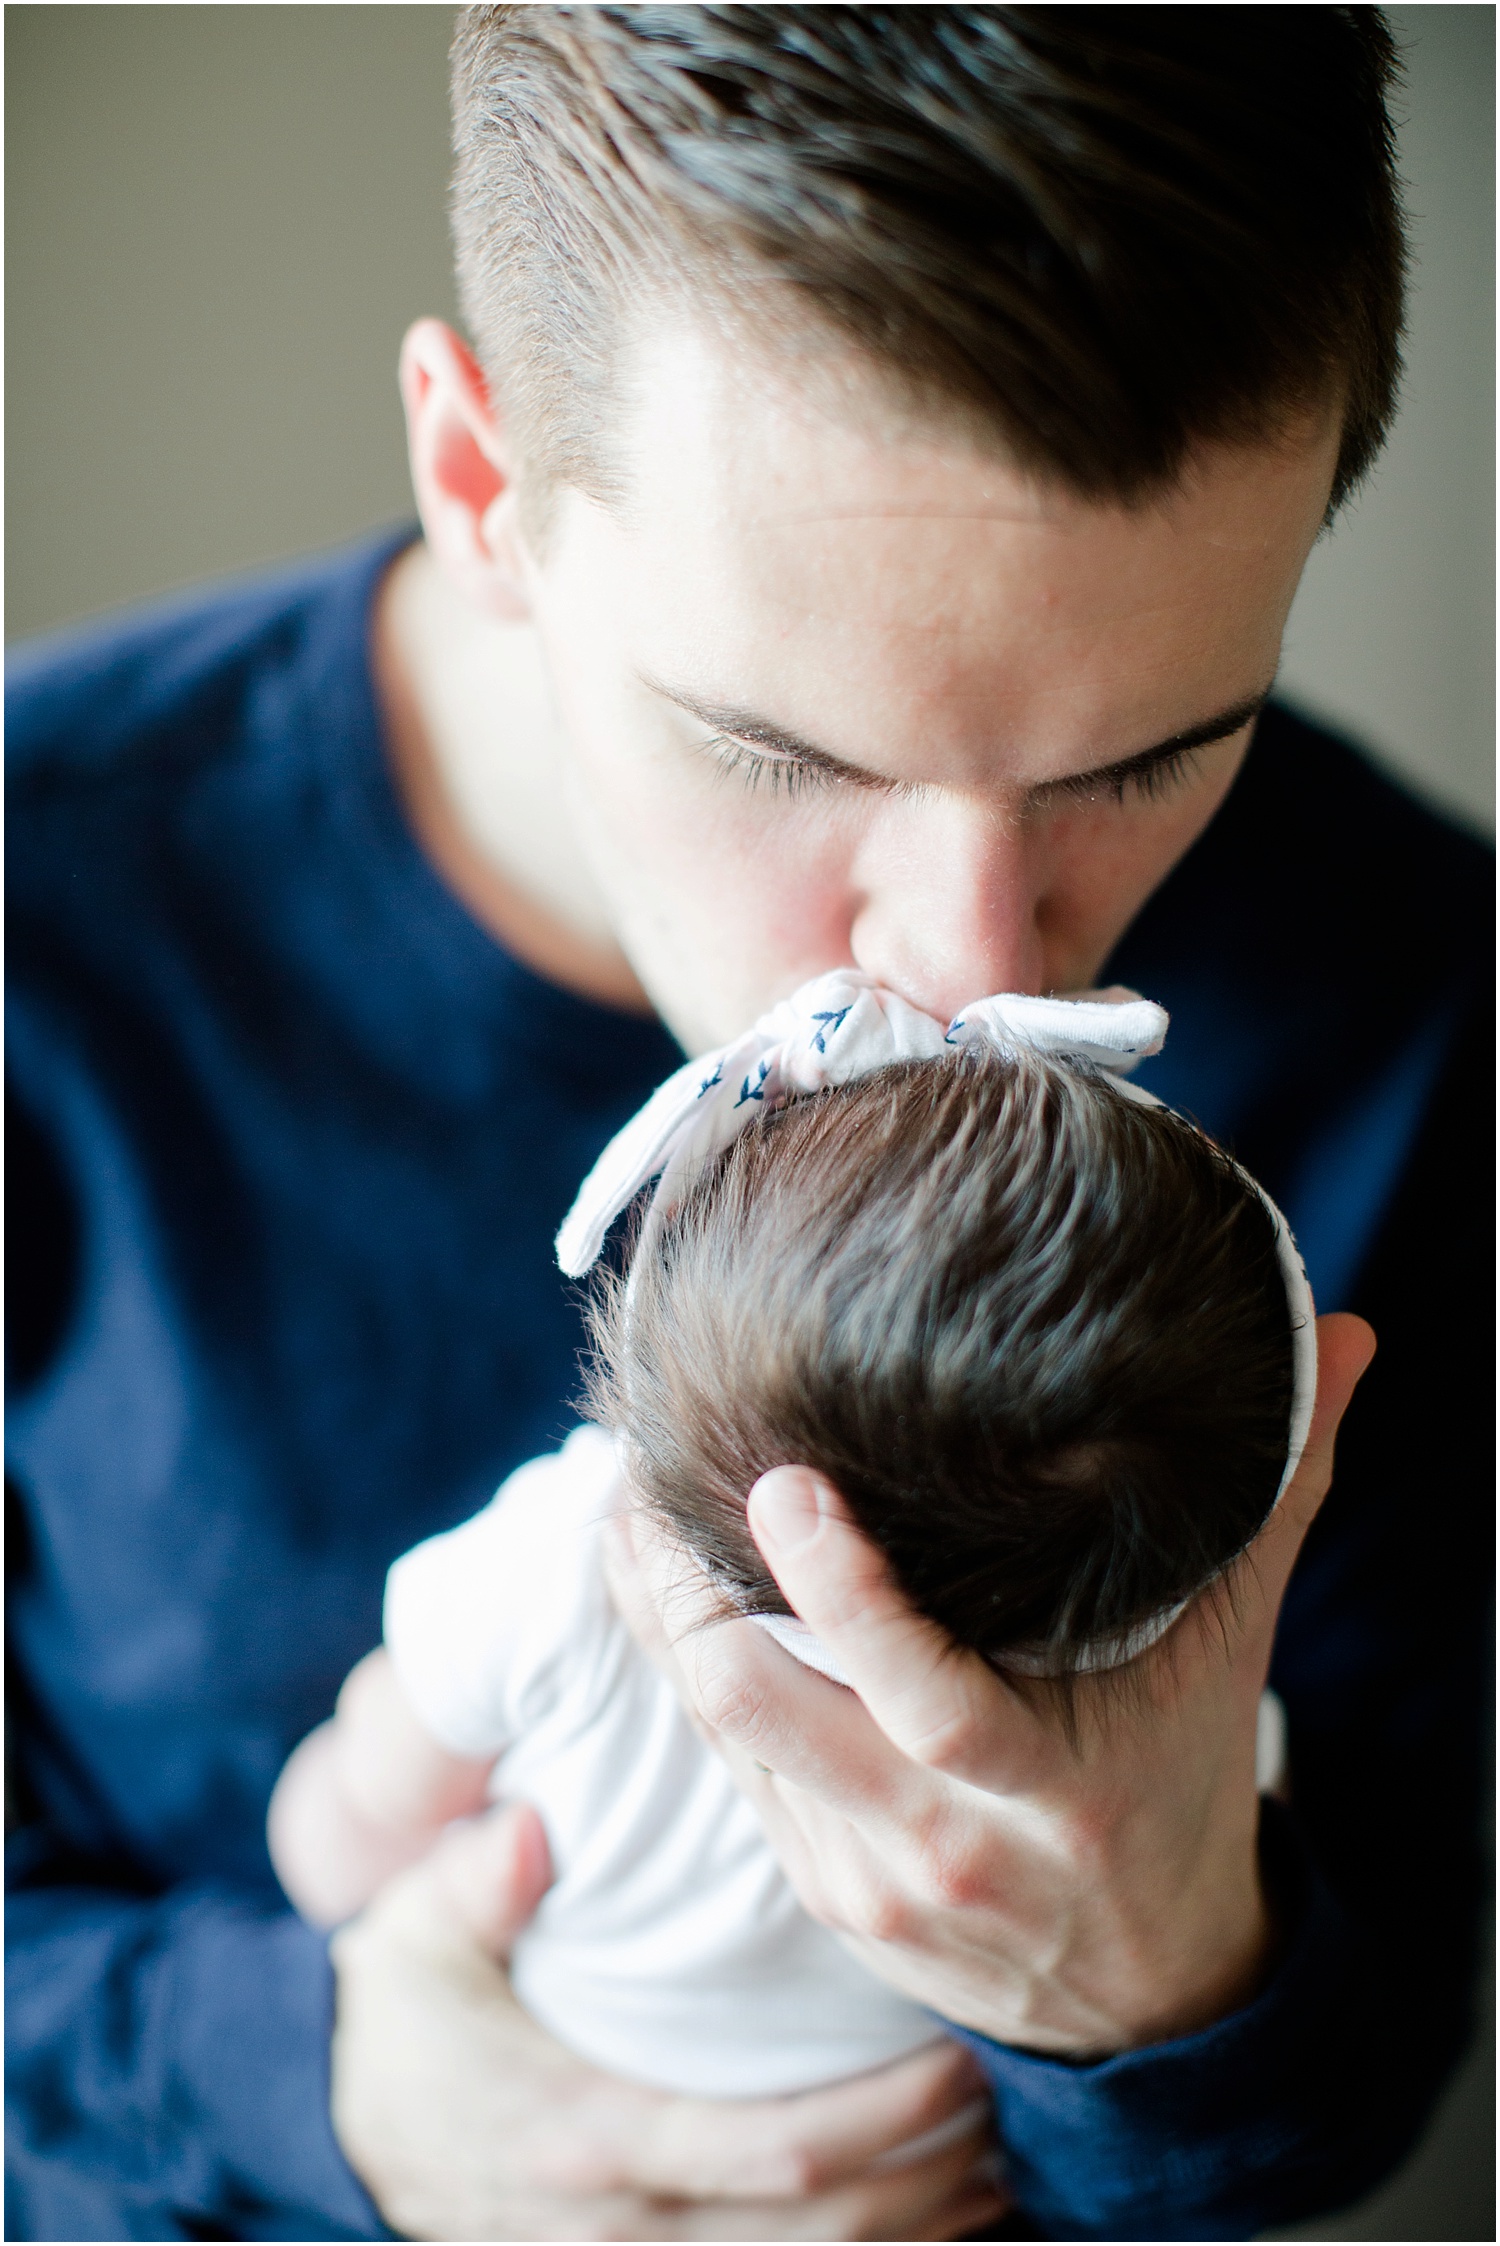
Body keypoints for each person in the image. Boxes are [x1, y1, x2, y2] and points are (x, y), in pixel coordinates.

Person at [4, 8, 1490, 2240]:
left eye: (1147, 756)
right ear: (484, 478)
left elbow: (1373, 2079)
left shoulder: (1424, 1000)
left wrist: (1168, 1978)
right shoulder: (45, 930)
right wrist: (308, 2090)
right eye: (787, 751)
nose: (983, 970)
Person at [266, 977, 1315, 2115]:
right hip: (915, 2163)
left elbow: (346, 1829)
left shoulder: (558, 1567)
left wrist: (381, 1915)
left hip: (538, 2074)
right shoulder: (1183, 1754)